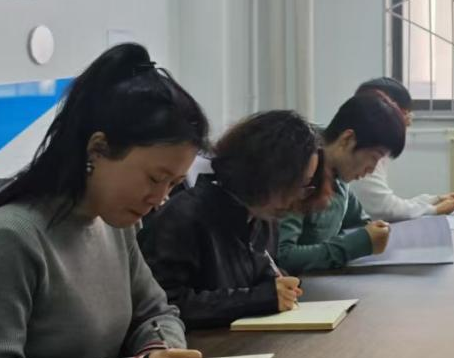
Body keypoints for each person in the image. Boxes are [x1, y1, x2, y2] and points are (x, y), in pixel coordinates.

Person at [0, 44, 209, 358]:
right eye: (155, 178)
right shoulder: (9, 237)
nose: (161, 198)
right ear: (97, 149)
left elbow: (156, 313)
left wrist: (161, 352)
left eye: (173, 183)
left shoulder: (116, 224)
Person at [139, 111, 324, 328]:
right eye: (293, 184)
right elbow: (165, 305)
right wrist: (259, 299)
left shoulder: (263, 218)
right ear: (263, 171)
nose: (296, 198)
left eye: (305, 185)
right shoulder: (183, 216)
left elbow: (259, 280)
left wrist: (278, 287)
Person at [276, 92, 406, 274]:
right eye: (374, 157)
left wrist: (374, 233)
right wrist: (356, 244)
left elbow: (359, 224)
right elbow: (283, 256)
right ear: (347, 140)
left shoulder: (338, 175)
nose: (371, 169)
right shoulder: (300, 170)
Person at [348, 77, 454, 220]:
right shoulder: (363, 149)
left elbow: (384, 203)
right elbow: (384, 208)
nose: (408, 121)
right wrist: (435, 210)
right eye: (403, 114)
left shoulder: (373, 146)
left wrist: (434, 200)